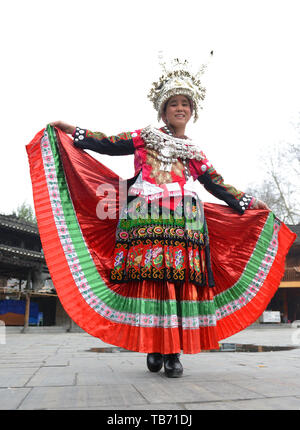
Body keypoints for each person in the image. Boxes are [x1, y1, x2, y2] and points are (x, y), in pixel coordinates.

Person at [27, 56, 296, 378]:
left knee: (180, 285)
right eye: (173, 104)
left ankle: (173, 352)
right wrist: (75, 131)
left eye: (185, 104)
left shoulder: (194, 153)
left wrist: (250, 203)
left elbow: (217, 184)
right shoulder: (144, 138)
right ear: (163, 110)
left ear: (192, 111)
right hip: (146, 219)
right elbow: (108, 144)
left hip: (185, 223)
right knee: (153, 283)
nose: (180, 108)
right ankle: (154, 346)